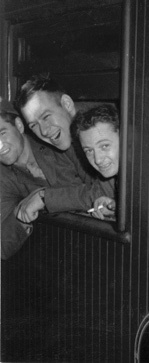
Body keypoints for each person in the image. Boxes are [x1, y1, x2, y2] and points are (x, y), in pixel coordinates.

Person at [0, 98, 105, 258]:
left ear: (19, 125)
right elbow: (2, 247)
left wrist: (44, 198)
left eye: (2, 133)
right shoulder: (5, 177)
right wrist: (20, 216)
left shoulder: (58, 141)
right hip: (77, 252)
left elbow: (105, 192)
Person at [14, 73, 111, 220]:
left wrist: (44, 197)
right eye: (33, 125)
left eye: (46, 116)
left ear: (67, 104)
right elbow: (79, 195)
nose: (44, 131)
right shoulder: (64, 140)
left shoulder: (101, 126)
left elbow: (107, 191)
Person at [73, 104, 120, 219]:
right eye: (89, 150)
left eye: (104, 146)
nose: (97, 160)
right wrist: (115, 210)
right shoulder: (110, 180)